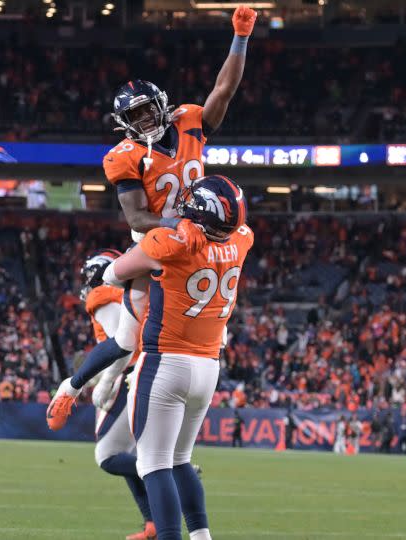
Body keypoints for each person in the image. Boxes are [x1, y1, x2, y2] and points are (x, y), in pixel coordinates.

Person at [47, 5, 258, 431]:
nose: (144, 119)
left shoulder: (191, 122)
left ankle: (150, 410)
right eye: (135, 115)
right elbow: (138, 217)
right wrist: (182, 225)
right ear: (124, 123)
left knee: (211, 316)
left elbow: (224, 90)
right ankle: (72, 388)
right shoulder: (125, 157)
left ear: (161, 104)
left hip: (203, 235)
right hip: (161, 240)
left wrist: (240, 38)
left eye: (147, 109)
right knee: (128, 337)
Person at [98, 174, 252, 540]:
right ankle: (202, 537)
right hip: (208, 366)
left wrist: (157, 250)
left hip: (166, 360)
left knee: (153, 463)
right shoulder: (243, 239)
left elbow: (112, 273)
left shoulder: (170, 242)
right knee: (180, 459)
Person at [80, 249, 156, 540]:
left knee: (108, 456)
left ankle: (167, 470)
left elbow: (120, 345)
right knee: (126, 455)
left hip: (130, 375)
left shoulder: (102, 294)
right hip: (144, 372)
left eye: (90, 273)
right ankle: (153, 526)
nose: (88, 281)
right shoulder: (132, 292)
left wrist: (104, 380)